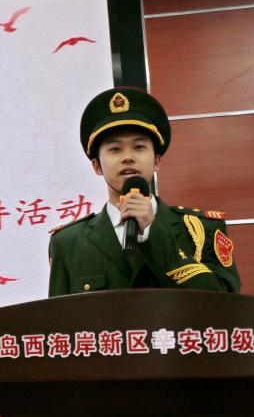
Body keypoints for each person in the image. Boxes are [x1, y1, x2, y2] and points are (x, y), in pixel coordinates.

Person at [48, 87, 240, 297]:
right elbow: (59, 316)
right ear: (97, 166)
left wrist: (151, 231)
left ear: (156, 161)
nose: (128, 157)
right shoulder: (68, 242)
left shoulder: (201, 230)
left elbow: (225, 301)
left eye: (139, 147)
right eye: (115, 149)